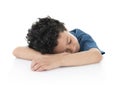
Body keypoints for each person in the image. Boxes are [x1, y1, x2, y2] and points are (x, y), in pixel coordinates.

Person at [13, 16, 105, 72]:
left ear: (65, 28)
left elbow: (96, 55)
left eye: (69, 41)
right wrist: (48, 57)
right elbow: (17, 51)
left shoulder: (80, 36)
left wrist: (58, 60)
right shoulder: (48, 45)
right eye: (66, 51)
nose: (73, 49)